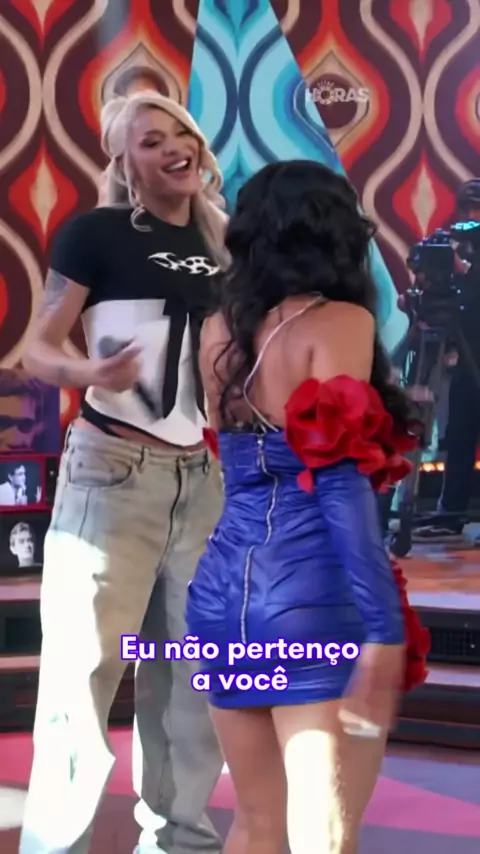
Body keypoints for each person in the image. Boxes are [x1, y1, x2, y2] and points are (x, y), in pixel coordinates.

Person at [186, 161, 428, 854]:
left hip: (223, 592)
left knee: (255, 823)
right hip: (313, 594)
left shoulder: (218, 331)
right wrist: (383, 628)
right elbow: (339, 485)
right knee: (323, 834)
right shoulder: (342, 321)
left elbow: (233, 470)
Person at [20, 91, 228, 854]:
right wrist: (87, 369)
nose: (174, 146)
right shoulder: (97, 233)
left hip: (202, 480)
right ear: (124, 165)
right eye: (149, 140)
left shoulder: (225, 240)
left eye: (181, 132)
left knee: (191, 682)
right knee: (82, 679)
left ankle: (182, 841)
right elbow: (37, 348)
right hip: (112, 470)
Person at [413, 179, 480, 542]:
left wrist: (464, 270)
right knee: (459, 434)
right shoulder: (462, 246)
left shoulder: (467, 260)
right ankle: (449, 514)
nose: (473, 216)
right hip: (469, 358)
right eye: (469, 209)